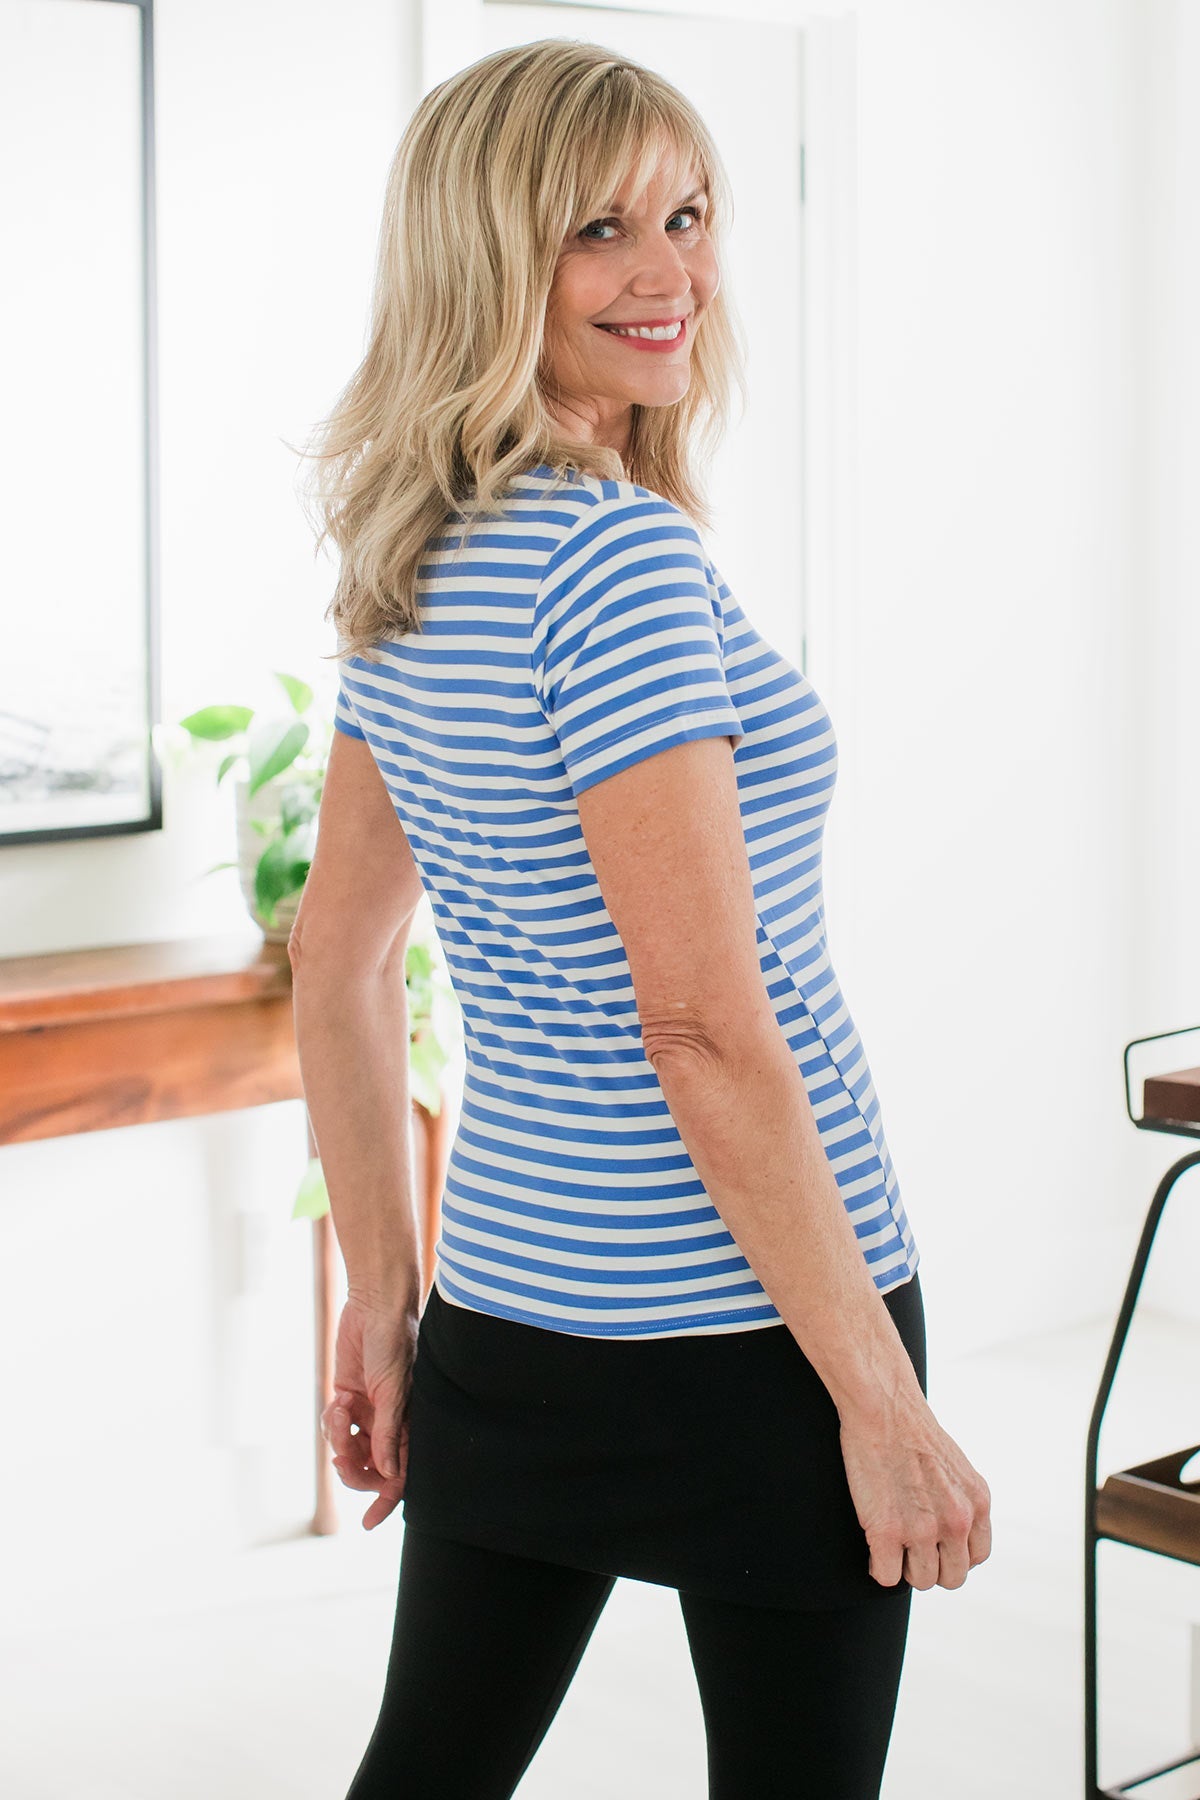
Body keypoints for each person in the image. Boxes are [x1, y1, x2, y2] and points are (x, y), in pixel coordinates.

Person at [288, 37, 992, 1800]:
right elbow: (699, 1024)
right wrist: (881, 1405)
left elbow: (341, 959)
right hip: (754, 1335)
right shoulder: (610, 561)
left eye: (687, 216)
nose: (668, 273)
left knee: (429, 1771)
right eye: (595, 228)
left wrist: (393, 1292)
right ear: (483, 254)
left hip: (521, 1315)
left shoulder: (416, 547)